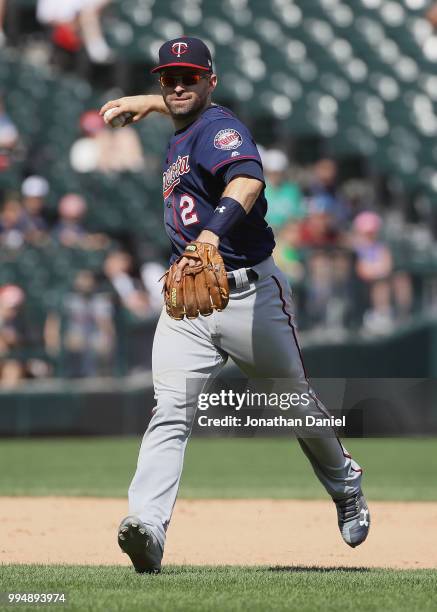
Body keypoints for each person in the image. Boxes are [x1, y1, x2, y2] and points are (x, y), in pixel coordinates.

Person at [100, 36, 370, 574]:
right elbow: (176, 105)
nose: (179, 85)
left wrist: (210, 235)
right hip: (189, 304)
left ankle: (345, 483)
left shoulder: (222, 130)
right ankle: (147, 529)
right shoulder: (182, 120)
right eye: (169, 77)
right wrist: (142, 102)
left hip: (250, 296)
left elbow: (246, 179)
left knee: (294, 405)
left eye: (190, 76)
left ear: (210, 82)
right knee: (169, 412)